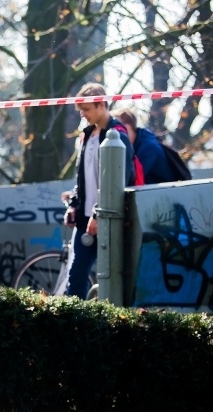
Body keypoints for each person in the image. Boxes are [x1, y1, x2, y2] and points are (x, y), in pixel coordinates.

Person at [63, 83, 135, 299]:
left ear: (101, 105)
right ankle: (72, 325)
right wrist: (75, 205)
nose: (83, 115)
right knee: (76, 275)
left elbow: (121, 179)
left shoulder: (117, 135)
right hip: (85, 219)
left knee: (113, 276)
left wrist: (98, 213)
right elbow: (84, 177)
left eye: (86, 109)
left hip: (108, 218)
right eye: (81, 111)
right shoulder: (86, 135)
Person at [112, 107, 174, 185]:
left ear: (131, 126)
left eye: (121, 129)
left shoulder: (149, 148)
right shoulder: (137, 144)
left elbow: (132, 178)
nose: (120, 134)